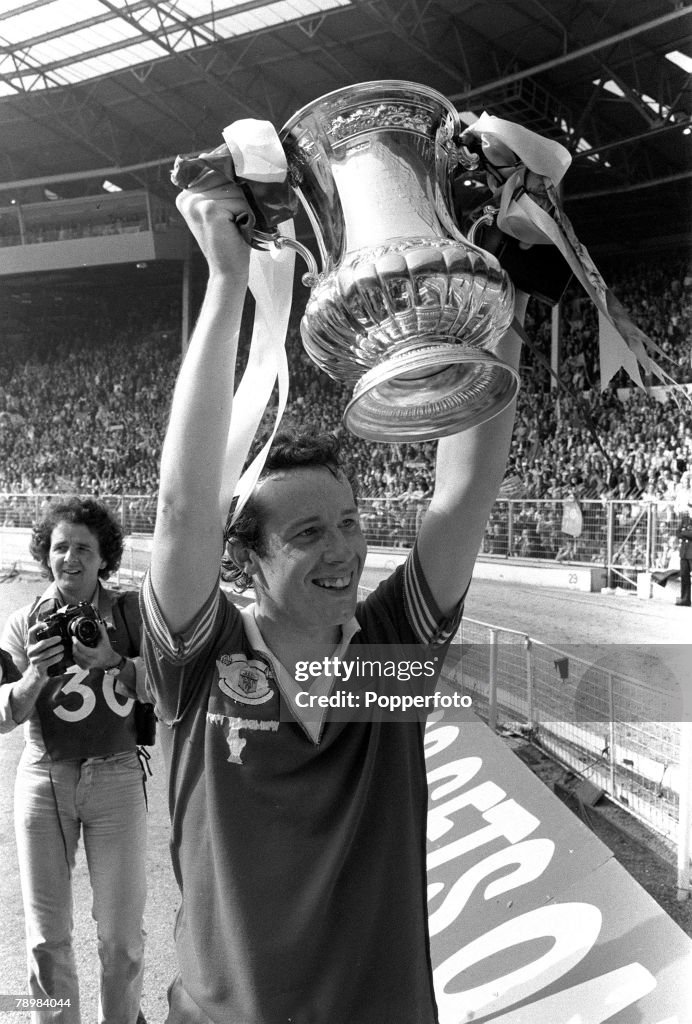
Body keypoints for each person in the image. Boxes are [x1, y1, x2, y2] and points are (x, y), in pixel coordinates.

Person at [139, 183, 527, 1023]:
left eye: (350, 521)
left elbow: (461, 493)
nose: (345, 548)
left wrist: (495, 293)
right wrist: (225, 283)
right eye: (308, 532)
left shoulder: (391, 660)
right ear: (241, 567)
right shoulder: (200, 667)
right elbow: (182, 508)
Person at [0, 496, 149, 1024]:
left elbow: (167, 690)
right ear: (46, 554)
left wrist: (113, 660)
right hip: (44, 778)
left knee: (123, 941)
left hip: (117, 776)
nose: (71, 559)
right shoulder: (23, 622)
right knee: (47, 942)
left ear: (103, 556)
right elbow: (3, 715)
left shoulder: (132, 612)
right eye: (61, 547)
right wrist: (35, 674)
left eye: (84, 548)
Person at [675, 502, 692, 606]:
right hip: (685, 553)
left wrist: (684, 532)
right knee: (684, 576)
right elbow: (677, 533)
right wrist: (686, 533)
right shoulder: (685, 519)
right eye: (690, 507)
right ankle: (685, 599)